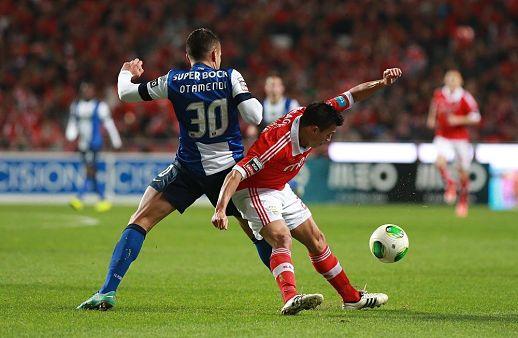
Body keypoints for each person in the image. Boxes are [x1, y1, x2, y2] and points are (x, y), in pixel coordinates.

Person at [77, 28, 271, 310]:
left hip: (187, 169)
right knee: (256, 231)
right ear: (215, 54)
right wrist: (240, 90)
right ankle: (290, 292)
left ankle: (107, 291)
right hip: (228, 173)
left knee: (139, 220)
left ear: (187, 56)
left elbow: (125, 93)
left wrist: (125, 71)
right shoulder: (229, 76)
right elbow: (255, 115)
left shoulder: (175, 80)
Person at [212, 68, 403, 315]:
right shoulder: (276, 145)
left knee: (317, 240)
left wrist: (382, 82)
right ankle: (291, 297)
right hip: (255, 190)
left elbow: (353, 95)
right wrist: (220, 210)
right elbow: (236, 173)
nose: (328, 139)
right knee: (282, 237)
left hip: (279, 186)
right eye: (328, 135)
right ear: (313, 130)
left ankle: (352, 298)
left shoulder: (317, 115)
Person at [427, 70, 480, 217]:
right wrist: (431, 118)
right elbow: (435, 105)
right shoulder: (439, 93)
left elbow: (476, 117)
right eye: (449, 79)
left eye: (454, 79)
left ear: (460, 81)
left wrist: (459, 120)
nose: (451, 81)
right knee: (439, 161)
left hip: (460, 138)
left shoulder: (465, 97)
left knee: (463, 172)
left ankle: (463, 200)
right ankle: (450, 184)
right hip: (443, 135)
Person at [66, 82, 122, 212]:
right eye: (84, 90)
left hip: (95, 143)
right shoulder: (76, 106)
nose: (87, 92)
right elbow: (73, 122)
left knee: (89, 169)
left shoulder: (100, 106)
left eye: (89, 90)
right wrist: (71, 135)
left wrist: (116, 140)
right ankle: (103, 199)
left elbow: (109, 123)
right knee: (92, 171)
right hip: (83, 144)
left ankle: (80, 197)